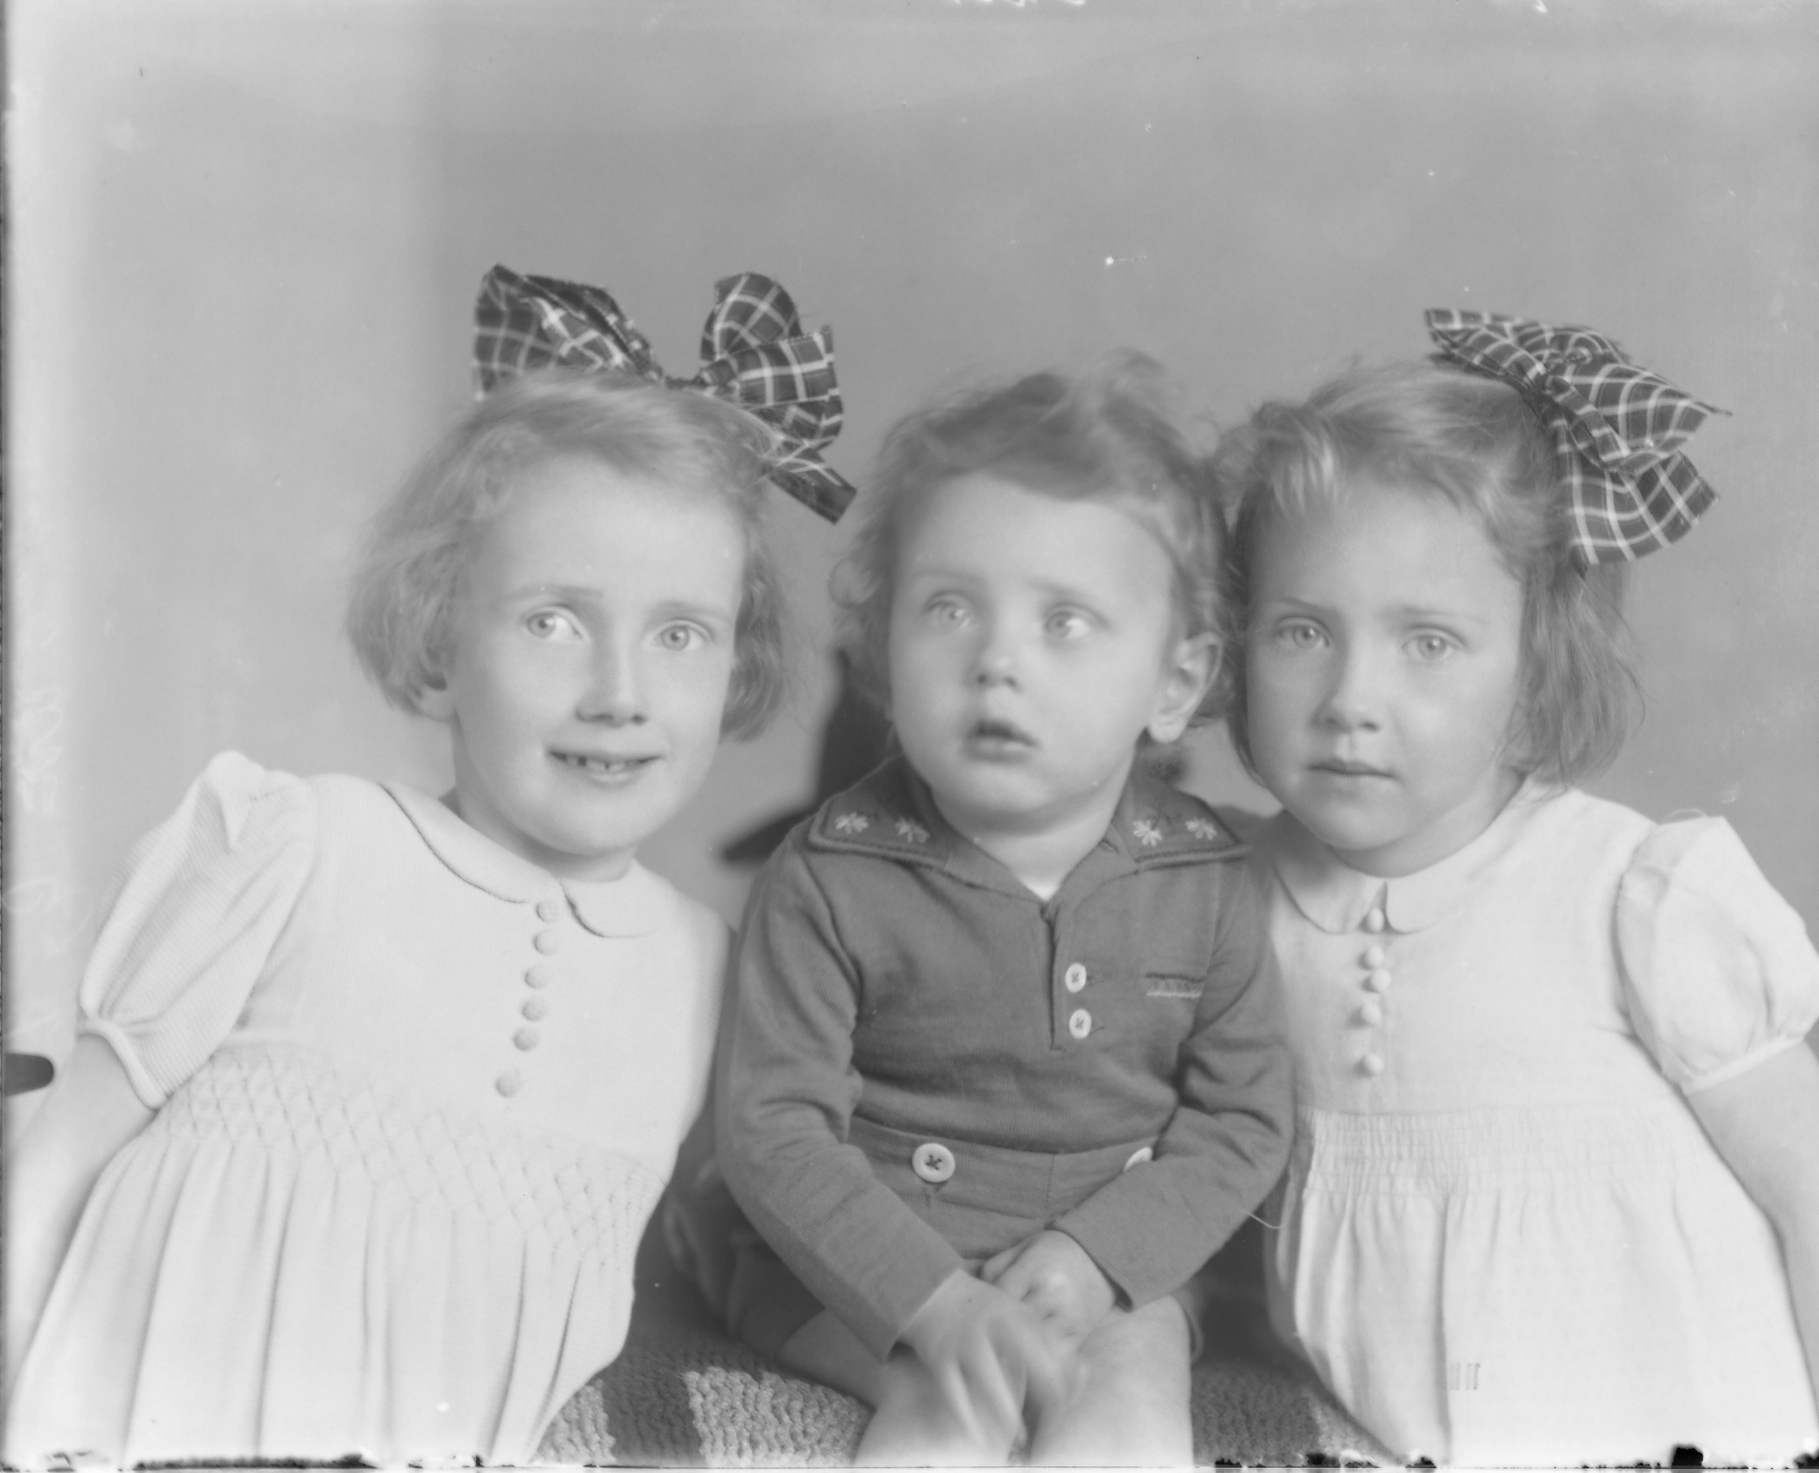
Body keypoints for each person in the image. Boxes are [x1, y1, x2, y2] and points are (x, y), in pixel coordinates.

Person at [3, 267, 848, 1467]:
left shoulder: (709, 967)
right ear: (442, 640)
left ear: (735, 668)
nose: (618, 692)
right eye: (554, 621)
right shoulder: (298, 843)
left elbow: (735, 1246)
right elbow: (58, 1156)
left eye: (679, 633)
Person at [1219, 311, 1819, 1466]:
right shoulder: (1229, 900)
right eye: (1300, 631)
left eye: (1426, 642)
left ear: (1535, 657)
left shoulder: (1625, 896)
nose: (1349, 698)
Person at [712, 358, 1294, 1465]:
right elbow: (773, 1130)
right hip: (865, 1264)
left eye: (1065, 620)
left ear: (1174, 683)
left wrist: (1098, 1260)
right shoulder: (830, 873)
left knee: (1126, 1425)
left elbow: (1241, 1122)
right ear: (883, 647)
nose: (996, 662)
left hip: (1102, 1268)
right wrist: (932, 1305)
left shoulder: (1205, 878)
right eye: (948, 608)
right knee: (948, 1415)